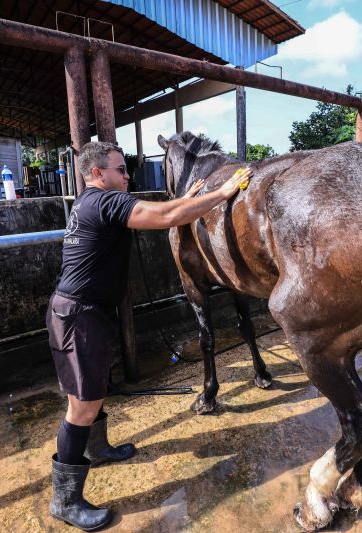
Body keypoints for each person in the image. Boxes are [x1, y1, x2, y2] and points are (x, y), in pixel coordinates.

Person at [46, 140, 251, 531]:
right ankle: (65, 500)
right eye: (121, 169)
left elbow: (165, 208)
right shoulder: (103, 202)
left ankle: (98, 448)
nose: (128, 176)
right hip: (78, 315)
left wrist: (189, 196)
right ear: (97, 173)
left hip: (85, 311)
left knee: (94, 391)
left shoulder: (92, 202)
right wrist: (223, 193)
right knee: (82, 406)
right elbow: (166, 216)